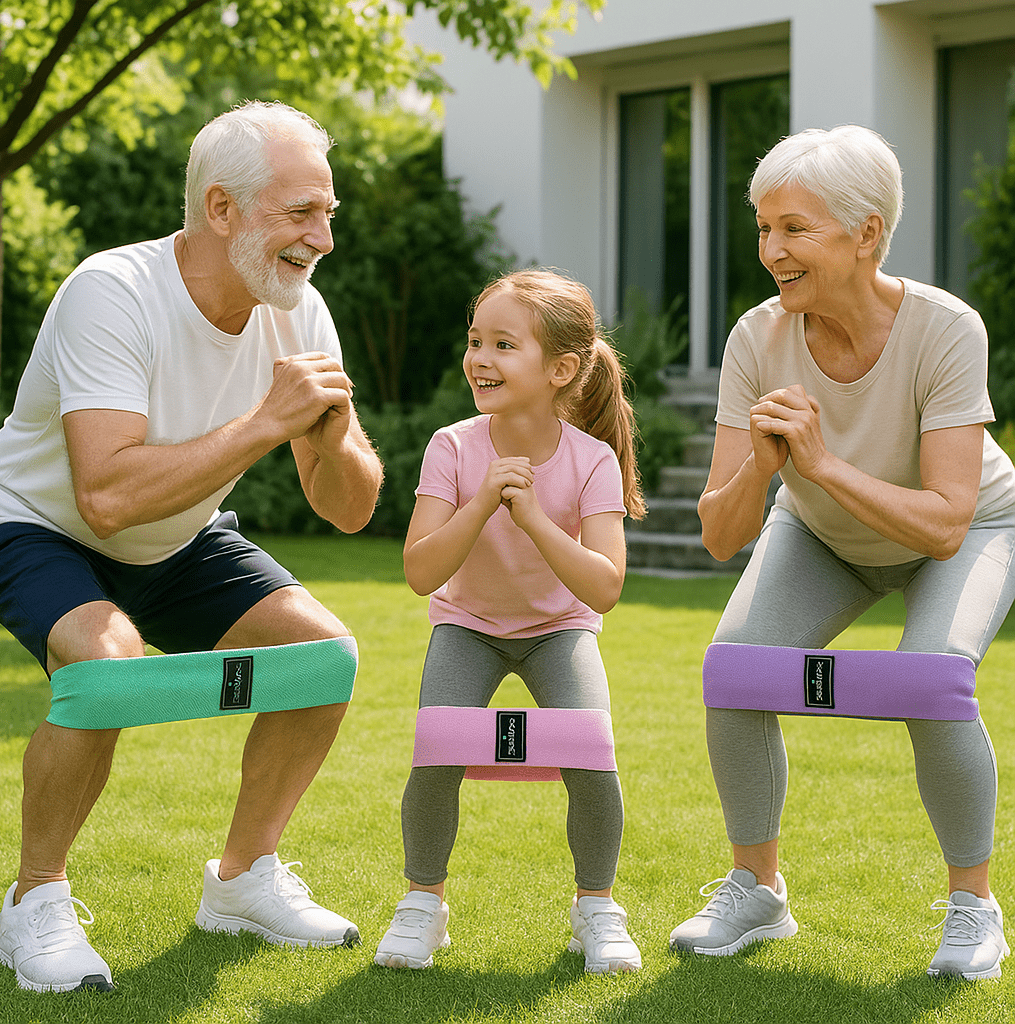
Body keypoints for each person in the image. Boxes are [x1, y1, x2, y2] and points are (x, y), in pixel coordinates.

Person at [0, 100, 383, 993]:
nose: (323, 238)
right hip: (34, 522)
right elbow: (106, 495)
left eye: (328, 213)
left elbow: (350, 511)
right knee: (106, 666)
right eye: (301, 212)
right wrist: (267, 422)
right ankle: (33, 903)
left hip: (176, 535)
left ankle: (242, 880)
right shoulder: (112, 292)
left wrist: (336, 437)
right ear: (221, 208)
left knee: (323, 658)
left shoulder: (297, 309)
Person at [668, 125, 1015, 980]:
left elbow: (944, 523)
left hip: (969, 530)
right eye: (763, 228)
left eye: (795, 228)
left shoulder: (946, 329)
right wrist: (762, 466)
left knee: (930, 678)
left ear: (867, 234)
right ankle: (757, 889)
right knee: (734, 670)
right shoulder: (757, 338)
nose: (771, 251)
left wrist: (820, 464)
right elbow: (719, 534)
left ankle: (974, 904)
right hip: (823, 533)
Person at [372, 269, 645, 974]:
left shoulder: (593, 461)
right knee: (437, 750)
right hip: (468, 625)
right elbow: (421, 571)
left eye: (503, 344)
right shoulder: (453, 447)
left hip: (560, 630)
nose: (480, 359)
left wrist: (534, 519)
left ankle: (596, 908)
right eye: (475, 341)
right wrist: (482, 502)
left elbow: (605, 587)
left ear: (561, 370)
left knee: (591, 755)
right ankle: (423, 904)